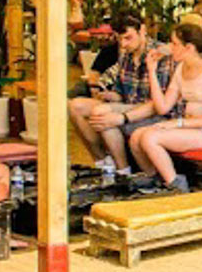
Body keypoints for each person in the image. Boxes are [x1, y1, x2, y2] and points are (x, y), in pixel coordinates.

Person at [69, 16, 177, 172]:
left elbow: (159, 105)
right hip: (129, 106)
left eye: (128, 38)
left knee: (102, 114)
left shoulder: (161, 55)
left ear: (142, 30)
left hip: (153, 113)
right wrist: (111, 95)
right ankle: (103, 163)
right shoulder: (126, 54)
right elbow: (121, 93)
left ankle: (123, 170)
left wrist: (122, 117)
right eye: (120, 39)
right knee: (75, 106)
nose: (123, 44)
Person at [133, 22, 202, 191]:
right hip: (191, 127)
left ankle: (177, 187)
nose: (170, 48)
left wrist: (178, 123)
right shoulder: (180, 69)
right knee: (137, 137)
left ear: (189, 48)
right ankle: (155, 179)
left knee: (150, 138)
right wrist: (151, 71)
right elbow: (163, 107)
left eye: (174, 44)